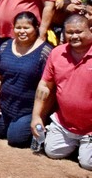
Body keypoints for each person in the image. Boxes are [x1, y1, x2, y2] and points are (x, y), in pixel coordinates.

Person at [32, 15, 92, 170]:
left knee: (88, 163)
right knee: (52, 151)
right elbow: (45, 86)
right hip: (65, 124)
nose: (74, 36)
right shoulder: (57, 53)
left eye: (79, 32)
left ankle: (84, 148)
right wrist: (37, 116)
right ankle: (80, 146)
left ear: (90, 30)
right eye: (69, 32)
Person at [0, 12, 51, 148]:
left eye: (26, 28)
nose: (22, 31)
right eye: (18, 27)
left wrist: (39, 116)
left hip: (28, 109)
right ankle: (12, 125)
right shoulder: (5, 47)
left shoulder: (46, 52)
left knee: (16, 139)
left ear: (36, 27)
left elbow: (48, 87)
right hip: (6, 105)